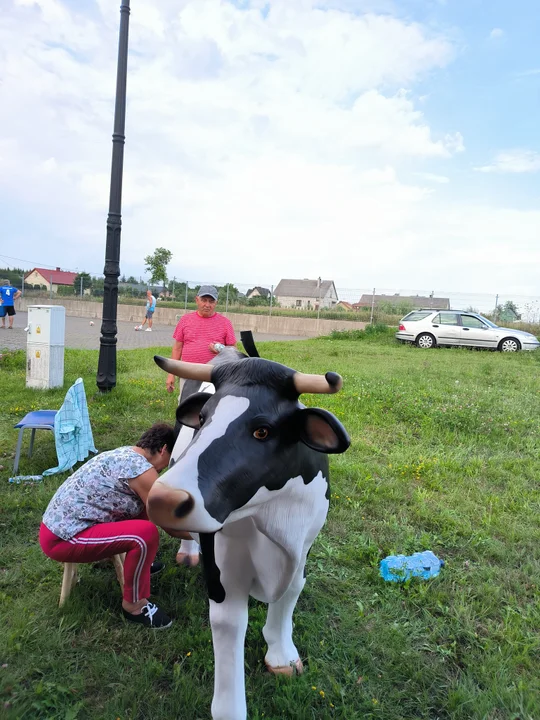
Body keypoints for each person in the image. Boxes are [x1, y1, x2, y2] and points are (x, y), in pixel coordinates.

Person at [39, 423, 185, 629]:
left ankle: (141, 564)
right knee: (145, 534)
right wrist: (200, 534)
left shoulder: (127, 454)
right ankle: (134, 605)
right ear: (163, 449)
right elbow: (168, 521)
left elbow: (148, 508)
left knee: (144, 509)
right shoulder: (144, 472)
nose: (166, 467)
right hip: (64, 539)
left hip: (56, 527)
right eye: (170, 459)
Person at [165, 285, 237, 398]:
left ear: (216, 303)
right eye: (204, 300)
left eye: (211, 301)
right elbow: (177, 348)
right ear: (197, 300)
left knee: (210, 408)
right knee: (187, 407)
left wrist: (220, 349)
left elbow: (233, 352)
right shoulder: (185, 320)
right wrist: (171, 374)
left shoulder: (225, 323)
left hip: (213, 375)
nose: (207, 305)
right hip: (188, 373)